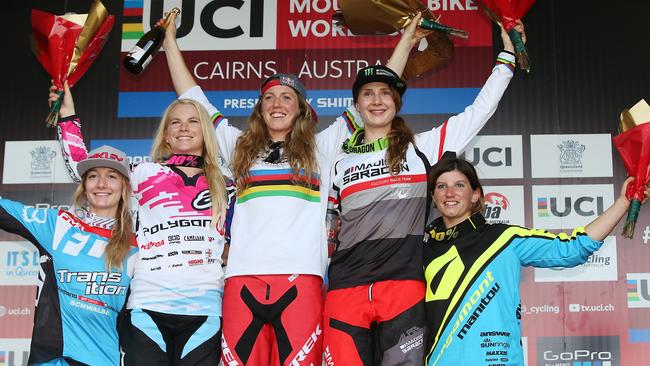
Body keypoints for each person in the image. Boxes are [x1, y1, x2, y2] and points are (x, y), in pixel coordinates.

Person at [160, 10, 366, 364]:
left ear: (301, 109)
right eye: (269, 97)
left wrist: (405, 41)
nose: (277, 104)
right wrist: (169, 42)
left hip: (301, 277)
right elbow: (194, 97)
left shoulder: (323, 147)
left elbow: (367, 100)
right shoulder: (239, 145)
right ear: (260, 108)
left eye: (287, 97)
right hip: (242, 278)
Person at [322, 17, 524, 365]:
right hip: (346, 286)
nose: (377, 101)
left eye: (386, 93)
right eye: (367, 94)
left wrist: (506, 60)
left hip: (403, 285)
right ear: (356, 105)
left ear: (397, 102)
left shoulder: (422, 149)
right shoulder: (336, 156)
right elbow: (324, 225)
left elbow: (478, 113)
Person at [52, 82, 233, 365]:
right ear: (166, 135)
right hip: (148, 304)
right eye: (175, 122)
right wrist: (68, 114)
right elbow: (82, 167)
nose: (183, 128)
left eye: (192, 121)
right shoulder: (145, 173)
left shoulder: (225, 183)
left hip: (205, 309)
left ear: (206, 131)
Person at [423, 154, 650, 366]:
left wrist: (623, 202)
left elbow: (572, 249)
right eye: (441, 186)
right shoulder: (423, 247)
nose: (449, 193)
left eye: (459, 185)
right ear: (433, 196)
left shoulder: (505, 238)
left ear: (475, 195)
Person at [0, 145, 136, 365]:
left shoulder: (138, 246)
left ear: (125, 186)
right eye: (93, 176)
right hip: (53, 359)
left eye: (111, 176)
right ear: (84, 186)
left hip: (105, 360)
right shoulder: (58, 225)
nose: (101, 184)